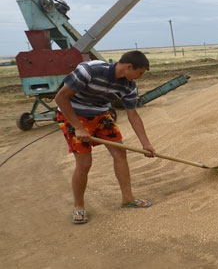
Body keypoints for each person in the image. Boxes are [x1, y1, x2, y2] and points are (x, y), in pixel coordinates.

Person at [55, 50, 156, 224]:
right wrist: (78, 128)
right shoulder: (90, 71)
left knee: (120, 153)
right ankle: (78, 206)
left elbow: (133, 115)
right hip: (73, 115)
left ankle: (128, 199)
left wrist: (146, 144)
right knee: (84, 163)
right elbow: (60, 98)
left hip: (101, 115)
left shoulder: (129, 86)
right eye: (139, 73)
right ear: (129, 66)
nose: (139, 77)